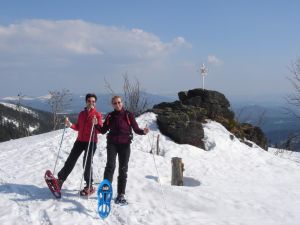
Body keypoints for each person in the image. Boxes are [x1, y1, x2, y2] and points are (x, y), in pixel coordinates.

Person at [99, 96, 149, 204]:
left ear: (122, 103)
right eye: (115, 103)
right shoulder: (110, 116)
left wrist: (143, 132)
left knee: (123, 169)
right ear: (112, 104)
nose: (117, 104)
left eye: (119, 102)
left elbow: (136, 129)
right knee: (110, 166)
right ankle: (105, 191)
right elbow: (103, 130)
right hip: (112, 144)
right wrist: (95, 125)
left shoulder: (128, 115)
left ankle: (121, 194)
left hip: (125, 145)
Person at [57, 93, 103, 196]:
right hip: (80, 140)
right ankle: (60, 180)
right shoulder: (81, 114)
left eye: (93, 102)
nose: (91, 103)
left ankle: (89, 185)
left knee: (86, 162)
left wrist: (96, 124)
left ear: (95, 103)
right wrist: (70, 125)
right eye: (89, 101)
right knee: (71, 160)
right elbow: (78, 127)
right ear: (86, 102)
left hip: (91, 141)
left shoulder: (97, 114)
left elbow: (100, 130)